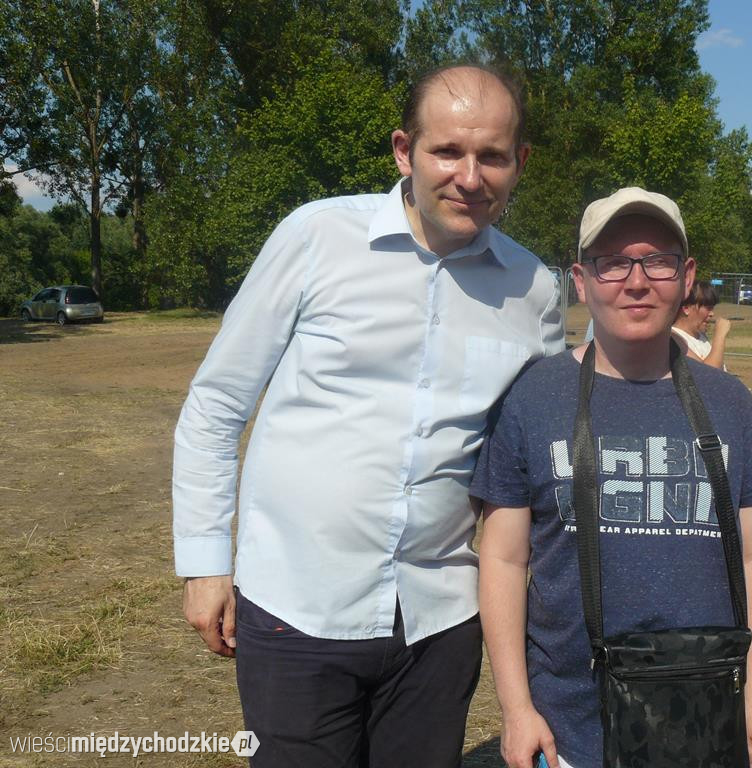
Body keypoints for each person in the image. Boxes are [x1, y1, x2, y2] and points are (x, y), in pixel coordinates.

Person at [172, 65, 564, 767]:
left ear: (521, 164)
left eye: (492, 156)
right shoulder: (316, 236)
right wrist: (205, 562)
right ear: (402, 151)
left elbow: (540, 453)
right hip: (296, 604)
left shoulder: (534, 291)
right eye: (447, 151)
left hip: (441, 619)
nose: (469, 177)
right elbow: (218, 402)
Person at [472, 187, 752, 768]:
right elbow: (503, 558)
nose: (636, 281)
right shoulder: (533, 397)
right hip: (570, 726)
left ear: (687, 276)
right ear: (582, 280)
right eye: (613, 262)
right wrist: (516, 709)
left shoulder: (731, 401)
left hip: (709, 717)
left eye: (658, 260)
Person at [672, 279, 731, 369]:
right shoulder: (675, 339)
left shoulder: (700, 336)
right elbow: (709, 374)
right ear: (686, 309)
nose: (712, 314)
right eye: (708, 308)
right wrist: (720, 336)